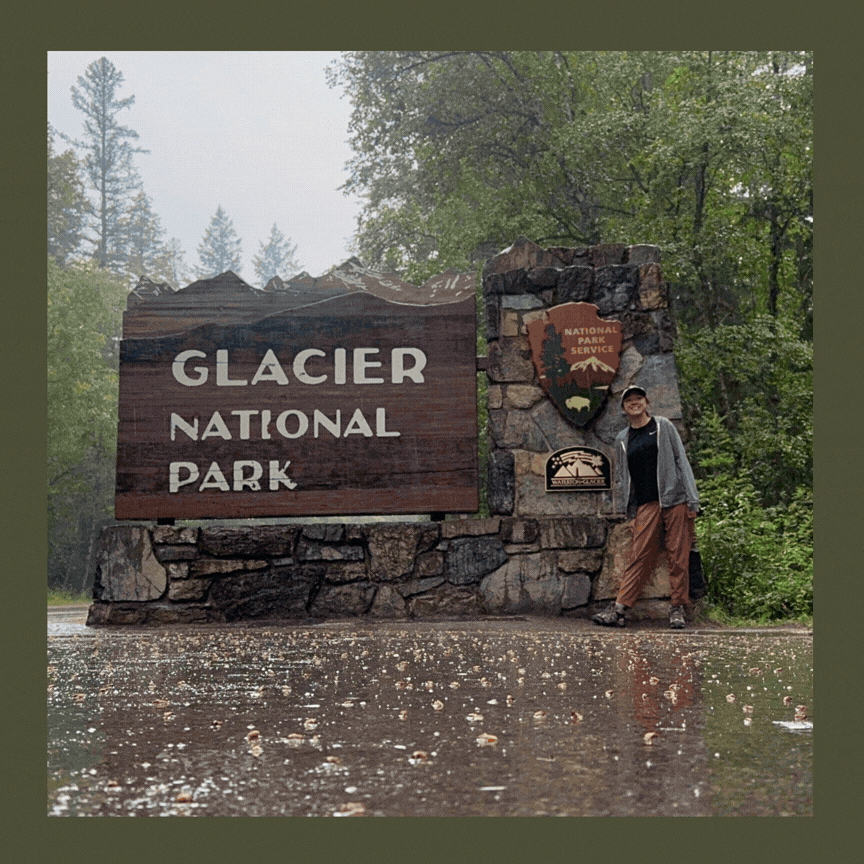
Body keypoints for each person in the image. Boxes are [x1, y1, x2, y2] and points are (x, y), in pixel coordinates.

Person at [592, 386, 699, 629]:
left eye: (638, 398)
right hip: (646, 504)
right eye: (629, 400)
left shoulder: (663, 426)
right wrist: (628, 512)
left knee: (677, 554)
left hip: (676, 499)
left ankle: (677, 608)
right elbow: (622, 477)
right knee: (638, 554)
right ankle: (620, 608)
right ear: (623, 408)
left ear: (647, 402)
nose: (634, 403)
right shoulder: (622, 439)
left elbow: (681, 460)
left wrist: (692, 499)